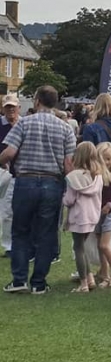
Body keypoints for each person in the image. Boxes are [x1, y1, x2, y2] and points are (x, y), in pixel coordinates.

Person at [1, 86, 76, 295]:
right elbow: (68, 165)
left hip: (26, 181)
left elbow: (9, 153)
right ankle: (39, 282)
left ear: (36, 101)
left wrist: (2, 162)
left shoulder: (24, 123)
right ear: (55, 103)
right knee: (46, 233)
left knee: (21, 230)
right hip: (52, 183)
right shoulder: (66, 128)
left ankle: (19, 279)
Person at [63, 141, 106, 293]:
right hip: (93, 216)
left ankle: (83, 284)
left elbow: (69, 200)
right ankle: (89, 278)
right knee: (83, 247)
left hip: (78, 217)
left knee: (78, 248)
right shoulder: (98, 176)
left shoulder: (73, 177)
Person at [93, 142, 111, 288]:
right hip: (96, 213)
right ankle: (105, 274)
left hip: (110, 213)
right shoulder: (96, 175)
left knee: (104, 245)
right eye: (106, 159)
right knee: (100, 245)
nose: (109, 162)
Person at [0, 95, 21, 257]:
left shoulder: (24, 124)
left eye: (13, 107)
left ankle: (9, 245)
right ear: (3, 108)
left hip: (17, 172)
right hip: (1, 168)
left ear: (18, 107)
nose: (11, 110)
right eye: (8, 107)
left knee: (9, 210)